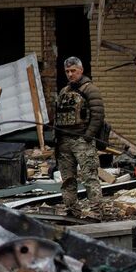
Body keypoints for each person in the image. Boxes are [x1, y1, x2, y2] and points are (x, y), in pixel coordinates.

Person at [52, 56, 105, 217]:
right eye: (67, 71)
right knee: (67, 179)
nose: (70, 74)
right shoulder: (64, 91)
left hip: (82, 140)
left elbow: (98, 115)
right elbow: (57, 115)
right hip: (64, 142)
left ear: (80, 70)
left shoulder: (90, 89)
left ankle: (96, 211)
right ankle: (71, 209)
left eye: (73, 71)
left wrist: (88, 136)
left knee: (90, 177)